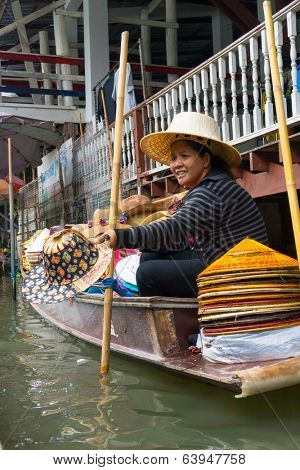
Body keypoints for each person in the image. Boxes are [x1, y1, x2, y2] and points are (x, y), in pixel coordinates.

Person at [95, 112, 268, 297]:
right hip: (216, 258)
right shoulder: (210, 185)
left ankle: (178, 322)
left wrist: (121, 237)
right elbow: (182, 238)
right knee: (149, 256)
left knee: (147, 274)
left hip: (236, 271)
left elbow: (175, 229)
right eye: (173, 158)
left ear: (206, 160)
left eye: (184, 156)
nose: (176, 164)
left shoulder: (212, 190)